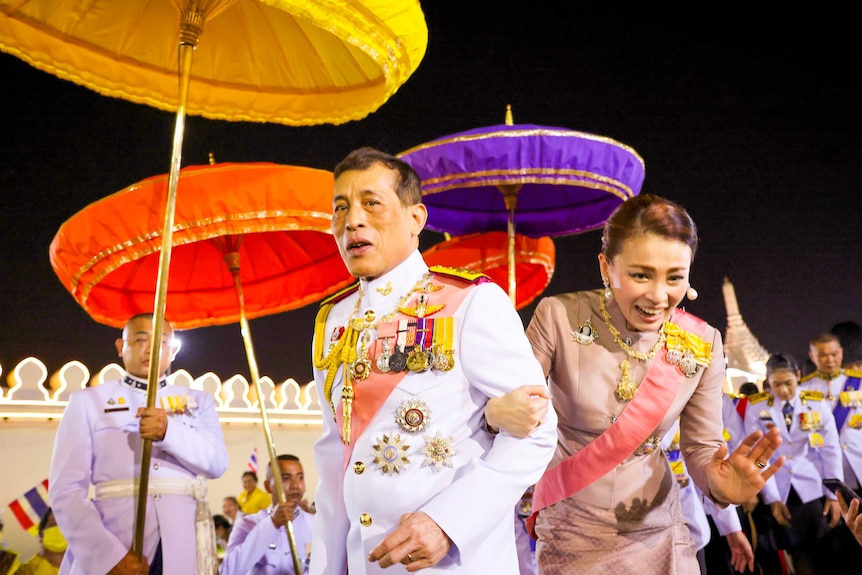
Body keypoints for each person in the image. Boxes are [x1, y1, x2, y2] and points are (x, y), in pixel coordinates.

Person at [488, 194, 784, 574]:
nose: (658, 296)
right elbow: (510, 407)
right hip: (572, 530)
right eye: (641, 275)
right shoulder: (558, 317)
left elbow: (701, 447)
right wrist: (497, 411)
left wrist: (721, 484)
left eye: (675, 277)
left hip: (658, 529)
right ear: (606, 268)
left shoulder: (702, 341)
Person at [308, 147, 557, 574]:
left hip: (453, 562)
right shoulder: (334, 320)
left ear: (416, 219)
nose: (353, 221)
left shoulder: (469, 302)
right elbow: (337, 457)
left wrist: (447, 523)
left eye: (372, 203)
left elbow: (537, 432)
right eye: (341, 207)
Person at [49, 313, 229, 575]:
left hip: (182, 545)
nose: (150, 349)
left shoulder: (198, 401)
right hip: (118, 538)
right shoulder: (89, 402)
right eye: (140, 339)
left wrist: (169, 431)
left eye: (162, 341)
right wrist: (107, 557)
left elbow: (217, 463)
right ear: (121, 347)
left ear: (174, 350)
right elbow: (65, 490)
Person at [743, 353, 843, 574]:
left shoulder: (815, 403)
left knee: (826, 551)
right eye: (776, 384)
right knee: (797, 555)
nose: (784, 390)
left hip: (814, 488)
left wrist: (834, 494)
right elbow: (758, 457)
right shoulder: (757, 408)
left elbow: (830, 450)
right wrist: (772, 498)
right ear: (767, 382)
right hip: (780, 489)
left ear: (798, 376)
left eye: (788, 383)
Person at [220, 455, 312, 575]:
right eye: (285, 478)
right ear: (268, 486)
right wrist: (272, 524)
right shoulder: (247, 524)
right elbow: (228, 571)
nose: (295, 485)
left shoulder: (316, 524)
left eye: (300, 478)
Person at [16, 508, 66, 575]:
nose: (59, 530)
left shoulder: (82, 564)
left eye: (63, 526)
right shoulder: (28, 571)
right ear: (41, 537)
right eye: (53, 525)